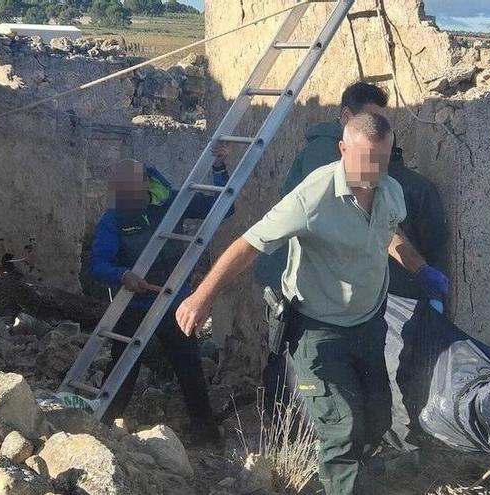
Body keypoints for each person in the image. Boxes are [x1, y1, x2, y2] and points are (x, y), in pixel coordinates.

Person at [175, 112, 448, 494]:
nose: (372, 171)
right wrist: (203, 295)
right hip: (318, 331)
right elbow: (250, 244)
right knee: (342, 427)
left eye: (380, 161)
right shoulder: (313, 196)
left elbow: (390, 232)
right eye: (363, 160)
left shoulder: (391, 191)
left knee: (376, 419)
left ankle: (353, 482)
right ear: (342, 149)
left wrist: (420, 269)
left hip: (369, 325)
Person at [256, 82, 449, 449]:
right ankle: (288, 441)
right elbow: (264, 237)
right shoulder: (324, 164)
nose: (377, 137)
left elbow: (384, 228)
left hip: (352, 311)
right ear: (347, 123)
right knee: (294, 375)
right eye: (370, 123)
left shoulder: (381, 183)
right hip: (304, 296)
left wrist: (420, 269)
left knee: (361, 407)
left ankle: (342, 454)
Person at [90, 145, 231, 445]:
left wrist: (219, 169)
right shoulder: (113, 219)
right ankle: (101, 429)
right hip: (133, 305)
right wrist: (123, 275)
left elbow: (223, 207)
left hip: (171, 304)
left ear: (144, 185)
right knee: (122, 369)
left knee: (188, 366)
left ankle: (206, 436)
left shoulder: (172, 204)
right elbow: (99, 264)